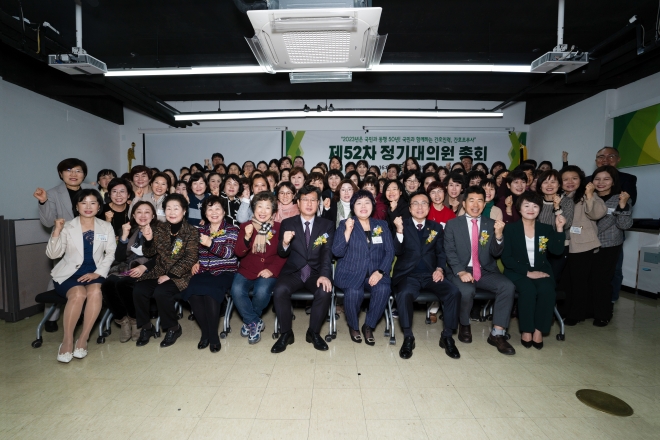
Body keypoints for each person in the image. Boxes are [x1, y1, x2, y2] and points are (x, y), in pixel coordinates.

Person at [444, 186, 516, 355]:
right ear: (464, 203)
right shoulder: (453, 224)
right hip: (460, 269)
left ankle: (497, 333)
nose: (475, 205)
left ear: (484, 204)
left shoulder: (491, 224)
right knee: (466, 290)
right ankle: (464, 324)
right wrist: (460, 271)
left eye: (479, 201)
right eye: (471, 200)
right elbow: (449, 251)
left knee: (508, 286)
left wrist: (498, 236)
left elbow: (496, 253)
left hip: (485, 270)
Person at [46, 189, 116, 362]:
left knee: (95, 292)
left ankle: (83, 339)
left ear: (99, 206)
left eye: (93, 203)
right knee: (78, 294)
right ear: (76, 206)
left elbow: (110, 254)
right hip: (69, 274)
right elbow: (53, 254)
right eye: (83, 202)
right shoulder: (67, 226)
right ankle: (67, 341)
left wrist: (97, 273)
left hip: (95, 272)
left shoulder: (106, 226)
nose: (88, 206)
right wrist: (57, 231)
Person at [391, 192, 461, 359]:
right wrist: (399, 231)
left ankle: (447, 336)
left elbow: (441, 252)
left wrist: (440, 269)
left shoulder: (436, 227)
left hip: (431, 274)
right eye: (415, 203)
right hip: (408, 274)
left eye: (423, 203)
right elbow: (396, 251)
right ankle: (408, 336)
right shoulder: (402, 224)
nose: (420, 207)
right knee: (404, 293)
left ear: (429, 208)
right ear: (410, 208)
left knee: (453, 292)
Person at [271, 185, 335, 353]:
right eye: (305, 200)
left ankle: (313, 332)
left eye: (313, 200)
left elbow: (327, 253)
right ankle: (286, 333)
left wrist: (325, 275)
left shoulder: (327, 225)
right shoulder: (287, 223)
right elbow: (282, 253)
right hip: (293, 272)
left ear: (318, 203)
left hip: (315, 272)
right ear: (298, 203)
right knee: (279, 290)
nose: (309, 203)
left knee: (324, 290)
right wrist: (284, 243)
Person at [34, 158, 95, 332]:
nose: (73, 174)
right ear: (61, 174)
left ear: (84, 174)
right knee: (59, 277)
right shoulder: (52, 193)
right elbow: (47, 222)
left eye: (78, 170)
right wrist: (43, 202)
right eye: (69, 170)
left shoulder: (91, 190)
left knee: (88, 277)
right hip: (65, 244)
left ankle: (82, 313)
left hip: (89, 242)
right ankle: (51, 317)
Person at [501, 192, 566, 350]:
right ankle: (526, 330)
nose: (531, 209)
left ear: (540, 209)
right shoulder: (510, 229)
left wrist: (559, 229)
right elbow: (506, 258)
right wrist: (527, 273)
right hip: (517, 271)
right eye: (527, 205)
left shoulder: (545, 229)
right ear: (519, 208)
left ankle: (539, 330)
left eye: (535, 206)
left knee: (547, 290)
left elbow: (557, 251)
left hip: (541, 270)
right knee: (528, 290)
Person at [133, 194, 199, 347]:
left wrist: (169, 275)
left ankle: (173, 328)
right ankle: (146, 327)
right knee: (139, 289)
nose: (172, 212)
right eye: (168, 208)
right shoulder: (160, 229)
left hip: (181, 274)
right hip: (159, 270)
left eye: (176, 208)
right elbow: (150, 254)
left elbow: (190, 258)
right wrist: (148, 240)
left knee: (161, 292)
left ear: (184, 211)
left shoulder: (192, 231)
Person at [332, 191, 394, 345]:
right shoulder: (345, 224)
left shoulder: (382, 225)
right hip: (350, 272)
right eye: (359, 203)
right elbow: (337, 252)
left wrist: (380, 271)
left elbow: (389, 252)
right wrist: (347, 231)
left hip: (375, 272)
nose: (363, 206)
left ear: (373, 205)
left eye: (367, 202)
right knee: (353, 292)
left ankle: (369, 326)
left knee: (383, 289)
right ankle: (353, 326)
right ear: (353, 207)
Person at [184, 196, 238, 352]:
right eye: (210, 209)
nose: (214, 212)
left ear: (224, 211)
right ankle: (205, 332)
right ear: (205, 213)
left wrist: (210, 243)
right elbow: (193, 252)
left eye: (217, 209)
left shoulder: (232, 230)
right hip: (203, 271)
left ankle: (213, 336)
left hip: (224, 271)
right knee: (193, 292)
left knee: (210, 292)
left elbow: (228, 253)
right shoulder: (200, 230)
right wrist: (195, 261)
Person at [232, 192, 287, 344]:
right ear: (253, 209)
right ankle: (254, 322)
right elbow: (238, 252)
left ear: (273, 211)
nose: (263, 211)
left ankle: (250, 321)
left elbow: (284, 254)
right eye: (259, 207)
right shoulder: (245, 226)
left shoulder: (279, 227)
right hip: (247, 269)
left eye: (267, 207)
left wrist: (272, 270)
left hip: (269, 270)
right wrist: (246, 237)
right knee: (236, 290)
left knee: (262, 291)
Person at [101, 200, 158, 343]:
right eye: (139, 212)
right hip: (127, 267)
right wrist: (124, 237)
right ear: (133, 215)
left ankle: (135, 321)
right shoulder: (130, 230)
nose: (143, 215)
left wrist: (143, 267)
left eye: (147, 212)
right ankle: (123, 321)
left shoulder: (160, 231)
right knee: (108, 284)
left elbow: (161, 257)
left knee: (124, 284)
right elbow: (119, 257)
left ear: (153, 216)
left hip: (150, 267)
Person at [559, 166, 607, 326]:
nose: (570, 182)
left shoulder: (588, 195)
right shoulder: (561, 197)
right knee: (566, 281)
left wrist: (589, 195)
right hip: (565, 244)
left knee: (580, 282)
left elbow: (597, 214)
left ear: (581, 180)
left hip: (583, 245)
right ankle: (565, 310)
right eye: (565, 179)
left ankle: (576, 314)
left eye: (574, 178)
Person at [591, 166, 633, 326]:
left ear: (613, 182)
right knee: (589, 279)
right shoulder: (590, 197)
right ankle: (589, 310)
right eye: (597, 179)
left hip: (608, 245)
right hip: (587, 244)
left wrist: (622, 206)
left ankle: (604, 313)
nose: (601, 182)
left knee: (603, 280)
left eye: (606, 179)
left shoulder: (620, 198)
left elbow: (624, 225)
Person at [535, 170, 573, 279]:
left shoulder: (567, 201)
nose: (549, 185)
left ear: (559, 184)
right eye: (545, 182)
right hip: (541, 243)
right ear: (540, 185)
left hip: (560, 244)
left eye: (553, 182)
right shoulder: (537, 202)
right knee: (540, 276)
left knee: (554, 277)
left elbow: (566, 224)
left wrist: (557, 208)